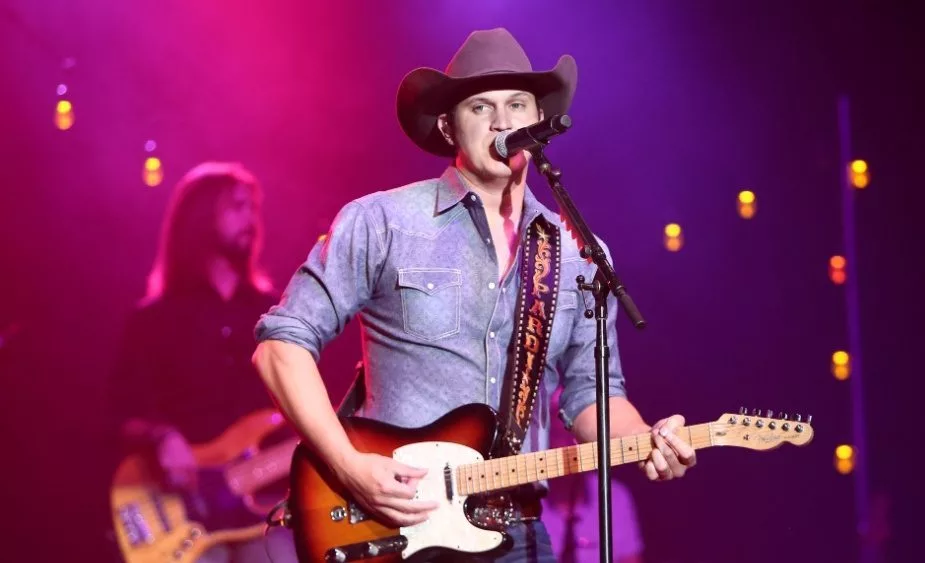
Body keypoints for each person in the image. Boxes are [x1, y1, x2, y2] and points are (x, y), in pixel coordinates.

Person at [252, 28, 696, 562]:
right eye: (481, 107)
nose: (503, 121)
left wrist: (648, 439)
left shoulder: (578, 252)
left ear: (539, 121)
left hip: (519, 532)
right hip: (393, 525)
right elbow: (280, 348)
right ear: (448, 126)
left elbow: (591, 399)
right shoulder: (384, 221)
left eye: (517, 105)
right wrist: (348, 465)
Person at [109, 161, 297, 562]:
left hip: (260, 505)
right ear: (200, 218)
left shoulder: (274, 312)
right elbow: (120, 412)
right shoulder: (155, 319)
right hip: (177, 506)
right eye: (237, 207)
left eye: (254, 208)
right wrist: (162, 437)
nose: (251, 220)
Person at [542, 388, 644, 563]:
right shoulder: (524, 501)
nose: (569, 447)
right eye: (560, 435)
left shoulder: (616, 496)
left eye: (576, 438)